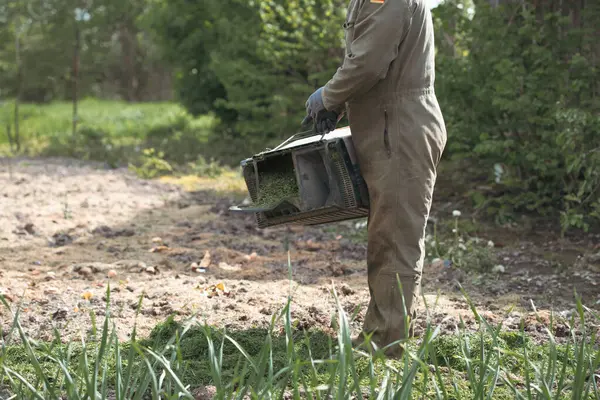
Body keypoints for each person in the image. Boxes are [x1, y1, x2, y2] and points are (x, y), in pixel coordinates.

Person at [304, 0, 447, 357]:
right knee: (386, 235)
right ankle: (383, 333)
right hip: (385, 127)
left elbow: (369, 61)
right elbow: (365, 54)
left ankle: (384, 346)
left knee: (396, 239)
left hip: (399, 128)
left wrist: (329, 96)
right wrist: (336, 104)